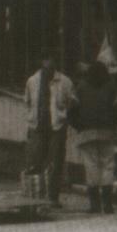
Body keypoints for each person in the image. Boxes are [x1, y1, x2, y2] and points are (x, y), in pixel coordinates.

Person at [24, 50, 76, 208]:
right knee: (36, 161)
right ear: (41, 62)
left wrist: (64, 116)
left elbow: (72, 101)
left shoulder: (65, 82)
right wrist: (31, 120)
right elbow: (27, 101)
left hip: (57, 127)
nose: (48, 64)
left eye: (51, 60)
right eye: (46, 60)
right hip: (37, 126)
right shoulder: (32, 81)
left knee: (56, 161)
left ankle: (53, 197)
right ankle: (38, 197)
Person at [71, 61, 117, 214]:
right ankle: (108, 204)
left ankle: (95, 205)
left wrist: (79, 126)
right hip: (107, 131)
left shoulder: (80, 87)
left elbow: (71, 111)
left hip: (86, 133)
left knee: (91, 166)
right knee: (108, 165)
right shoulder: (112, 86)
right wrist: (114, 124)